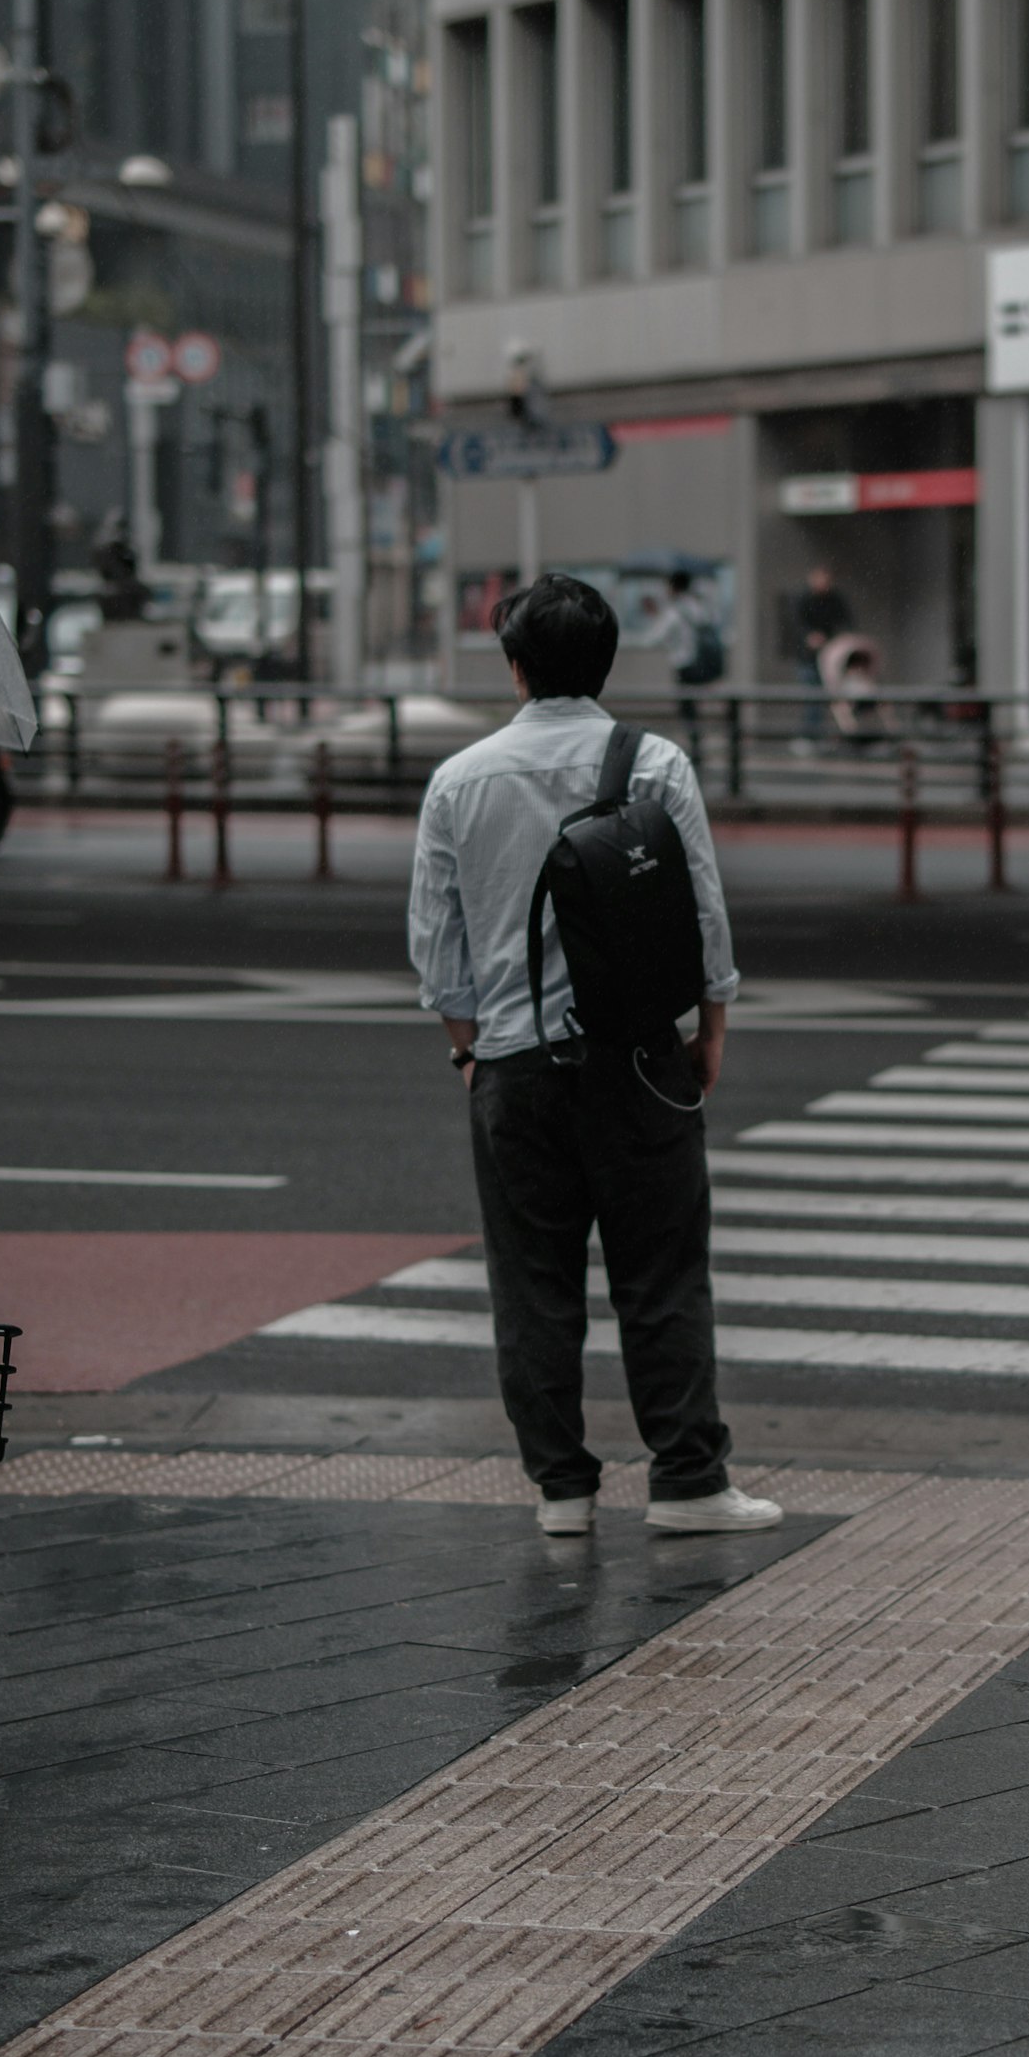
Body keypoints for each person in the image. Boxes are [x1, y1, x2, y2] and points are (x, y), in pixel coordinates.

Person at [409, 572, 779, 1539]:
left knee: (531, 1282)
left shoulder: (460, 780)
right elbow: (703, 913)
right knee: (660, 1274)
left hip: (512, 1069)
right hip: (640, 1062)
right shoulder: (654, 764)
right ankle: (689, 1481)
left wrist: (468, 1054)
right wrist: (711, 1035)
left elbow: (436, 945)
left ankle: (562, 1490)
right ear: (607, 661)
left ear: (516, 664)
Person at [788, 564, 852, 738]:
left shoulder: (834, 599)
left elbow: (846, 621)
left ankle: (821, 736)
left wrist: (840, 639)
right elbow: (797, 625)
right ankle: (809, 736)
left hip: (830, 657)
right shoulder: (804, 599)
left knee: (828, 699)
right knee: (812, 699)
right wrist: (809, 637)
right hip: (807, 658)